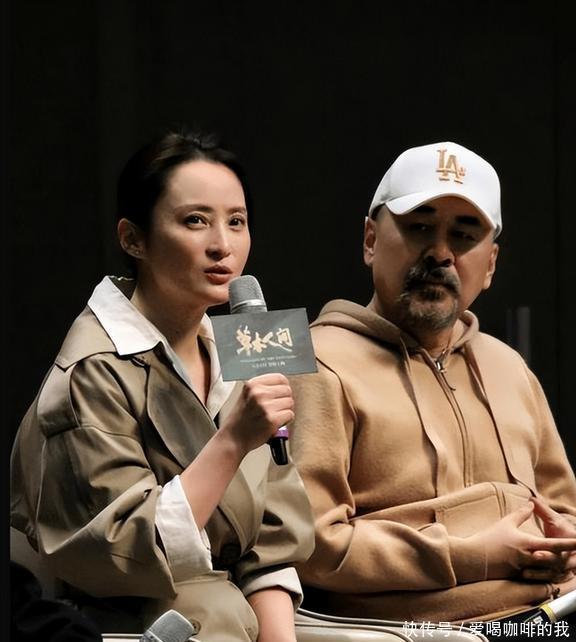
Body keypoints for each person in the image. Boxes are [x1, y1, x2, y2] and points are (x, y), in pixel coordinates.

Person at [10, 129, 315, 642]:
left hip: (243, 616)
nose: (222, 245)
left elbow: (273, 530)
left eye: (236, 222)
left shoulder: (244, 348)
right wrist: (232, 441)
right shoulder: (91, 369)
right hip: (113, 620)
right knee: (214, 610)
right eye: (195, 220)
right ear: (133, 239)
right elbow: (115, 549)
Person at [289, 141, 576, 629]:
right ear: (370, 240)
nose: (441, 253)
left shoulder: (509, 366)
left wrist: (563, 546)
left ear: (490, 264)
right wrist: (474, 555)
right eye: (419, 228)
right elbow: (309, 545)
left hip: (552, 615)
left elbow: (564, 509)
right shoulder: (316, 364)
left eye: (464, 235)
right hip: (416, 633)